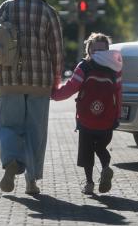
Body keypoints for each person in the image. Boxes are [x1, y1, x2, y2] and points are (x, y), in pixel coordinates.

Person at [0, 0, 64, 195]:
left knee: (8, 125)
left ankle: (11, 162)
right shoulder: (49, 12)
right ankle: (31, 181)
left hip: (9, 77)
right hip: (40, 81)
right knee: (35, 132)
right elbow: (56, 49)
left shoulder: (6, 7)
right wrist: (56, 79)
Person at [51, 32, 122, 194]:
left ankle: (89, 183)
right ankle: (105, 168)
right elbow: (118, 93)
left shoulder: (84, 67)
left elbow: (71, 87)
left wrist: (54, 95)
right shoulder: (115, 68)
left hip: (86, 119)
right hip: (107, 118)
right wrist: (117, 116)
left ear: (88, 50)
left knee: (86, 151)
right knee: (101, 147)